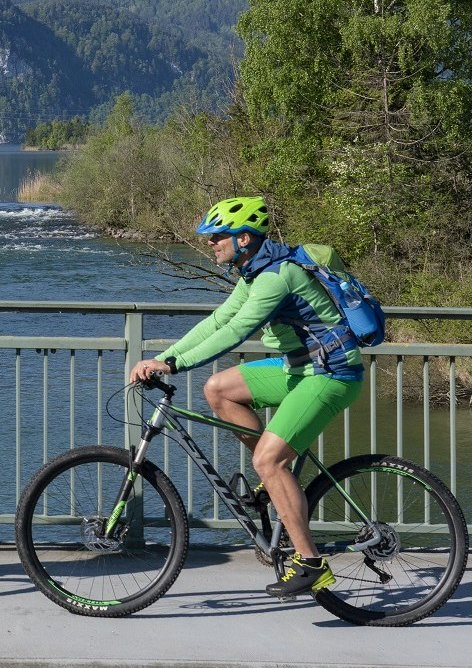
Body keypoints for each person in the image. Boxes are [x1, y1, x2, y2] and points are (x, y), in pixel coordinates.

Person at [128, 196, 365, 598]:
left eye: (216, 236)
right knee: (219, 388)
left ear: (243, 239)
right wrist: (166, 354)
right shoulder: (254, 274)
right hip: (298, 367)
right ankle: (273, 480)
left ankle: (310, 562)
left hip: (332, 373)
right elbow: (220, 320)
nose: (209, 243)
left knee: (267, 459)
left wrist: (173, 365)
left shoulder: (278, 276)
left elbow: (237, 332)